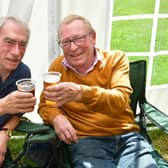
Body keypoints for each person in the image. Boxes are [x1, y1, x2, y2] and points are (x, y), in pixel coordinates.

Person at [38, 14, 158, 168]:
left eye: (78, 38)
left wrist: (82, 93)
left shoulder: (116, 59)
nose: (73, 47)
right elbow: (46, 104)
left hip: (127, 137)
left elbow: (120, 100)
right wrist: (56, 118)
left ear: (93, 37)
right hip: (88, 141)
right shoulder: (57, 67)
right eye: (66, 42)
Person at [0, 16, 36, 167]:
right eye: (9, 42)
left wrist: (4, 133)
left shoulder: (22, 72)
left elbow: (16, 113)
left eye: (22, 45)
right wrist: (3, 106)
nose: (16, 52)